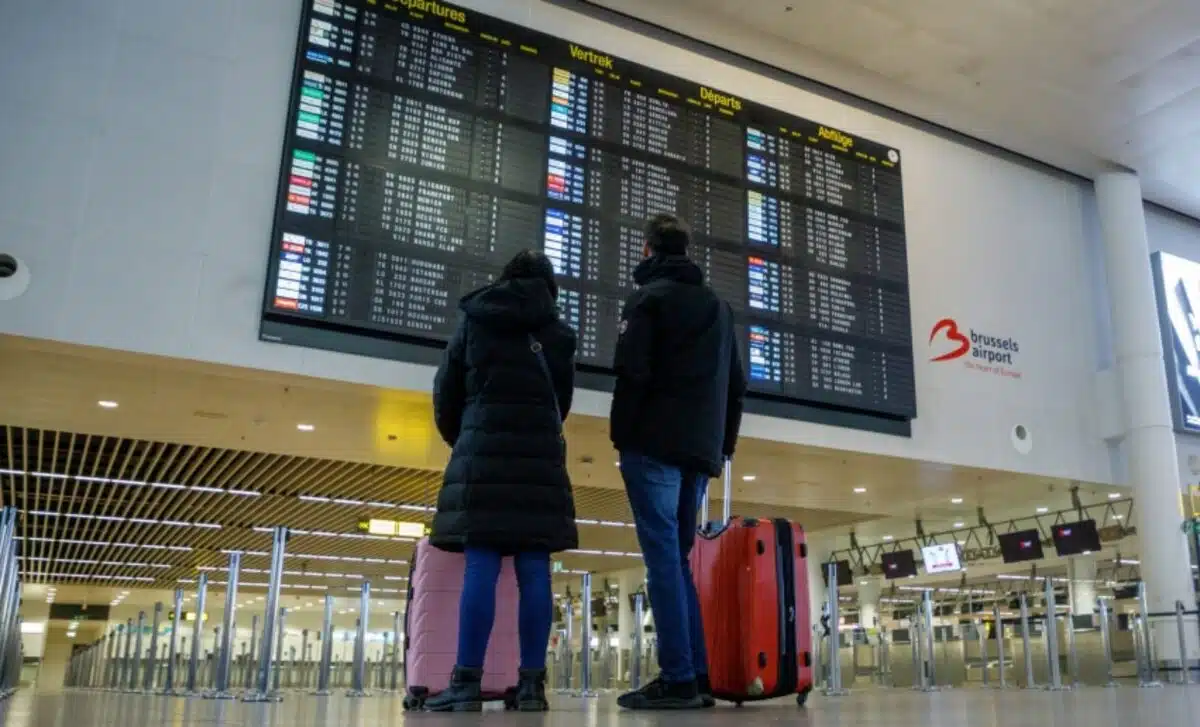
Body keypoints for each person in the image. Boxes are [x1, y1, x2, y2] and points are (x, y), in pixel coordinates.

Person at [425, 250, 579, 712]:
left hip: (484, 456)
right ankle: (531, 686)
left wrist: (469, 435)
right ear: (550, 286)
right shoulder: (558, 334)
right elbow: (561, 403)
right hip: (538, 462)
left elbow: (446, 391)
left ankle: (466, 683)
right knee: (534, 571)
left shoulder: (476, 320)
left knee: (481, 567)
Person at [611, 213, 746, 710]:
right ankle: (697, 672)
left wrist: (622, 438)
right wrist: (722, 446)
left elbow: (631, 372)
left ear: (648, 250)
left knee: (663, 561)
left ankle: (677, 677)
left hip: (653, 445)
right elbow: (736, 384)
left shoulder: (647, 299)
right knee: (678, 562)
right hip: (699, 451)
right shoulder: (720, 308)